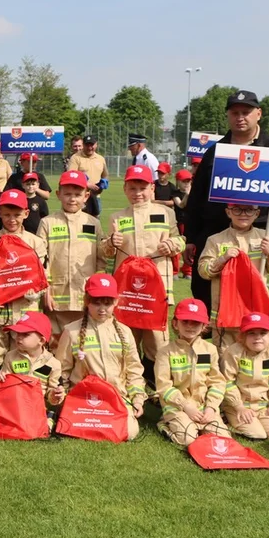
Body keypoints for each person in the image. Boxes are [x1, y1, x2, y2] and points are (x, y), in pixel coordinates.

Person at [184, 90, 269, 308]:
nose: (240, 117)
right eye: (235, 112)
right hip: (214, 232)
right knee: (204, 293)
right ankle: (209, 339)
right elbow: (196, 198)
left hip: (256, 232)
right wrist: (191, 237)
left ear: (258, 113)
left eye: (246, 112)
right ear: (227, 115)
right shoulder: (215, 151)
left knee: (249, 297)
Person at [100, 165, 184, 389]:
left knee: (157, 343)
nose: (138, 193)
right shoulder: (117, 217)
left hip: (157, 291)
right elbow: (107, 253)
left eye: (143, 188)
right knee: (125, 341)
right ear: (125, 190)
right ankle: (126, 390)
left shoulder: (166, 213)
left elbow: (181, 240)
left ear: (152, 188)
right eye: (132, 188)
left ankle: (160, 393)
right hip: (126, 292)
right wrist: (111, 243)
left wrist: (171, 244)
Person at [54, 274, 146, 439]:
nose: (102, 309)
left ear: (116, 302)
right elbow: (62, 370)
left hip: (117, 397)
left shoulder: (125, 332)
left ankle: (93, 426)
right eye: (96, 302)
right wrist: (63, 399)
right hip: (83, 400)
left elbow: (134, 371)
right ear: (86, 301)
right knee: (70, 426)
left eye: (107, 303)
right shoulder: (71, 331)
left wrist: (137, 399)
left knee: (130, 432)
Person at [195, 203, 269, 355]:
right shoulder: (215, 240)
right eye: (237, 209)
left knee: (255, 353)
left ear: (257, 213)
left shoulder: (266, 237)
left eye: (249, 210)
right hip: (226, 313)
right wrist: (222, 259)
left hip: (255, 309)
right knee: (225, 355)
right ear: (228, 212)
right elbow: (203, 272)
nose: (243, 214)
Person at [0, 189, 46, 383]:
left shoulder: (36, 242)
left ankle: (21, 393)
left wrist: (36, 293)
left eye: (17, 215)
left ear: (26, 213)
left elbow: (41, 275)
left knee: (23, 354)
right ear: (0, 213)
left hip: (25, 309)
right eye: (7, 214)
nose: (12, 219)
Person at [153, 298, 230, 446]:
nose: (190, 326)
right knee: (188, 439)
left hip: (202, 407)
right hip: (176, 406)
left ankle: (199, 424)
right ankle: (164, 424)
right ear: (175, 324)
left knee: (223, 440)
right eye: (185, 321)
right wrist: (186, 406)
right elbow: (164, 387)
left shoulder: (210, 350)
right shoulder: (165, 352)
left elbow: (217, 382)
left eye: (195, 322)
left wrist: (211, 408)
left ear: (204, 326)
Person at [38, 171, 103, 336]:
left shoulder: (93, 223)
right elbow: (39, 261)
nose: (72, 199)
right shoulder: (47, 223)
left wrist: (98, 290)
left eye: (77, 194)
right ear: (58, 194)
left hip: (85, 295)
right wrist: (46, 290)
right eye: (67, 194)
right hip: (56, 296)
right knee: (55, 344)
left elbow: (101, 259)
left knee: (83, 343)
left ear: (86, 196)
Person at [220, 312, 269, 439]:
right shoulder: (233, 352)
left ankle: (262, 417)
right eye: (251, 333)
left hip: (263, 405)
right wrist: (239, 407)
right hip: (237, 405)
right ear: (242, 336)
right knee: (258, 434)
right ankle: (226, 421)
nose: (258, 338)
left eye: (263, 333)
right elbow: (227, 382)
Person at [0, 311, 65, 416]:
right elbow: (5, 384)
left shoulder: (53, 364)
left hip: (39, 408)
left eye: (25, 334)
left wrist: (55, 395)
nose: (18, 337)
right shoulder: (10, 356)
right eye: (17, 333)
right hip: (15, 406)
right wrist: (1, 378)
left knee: (48, 423)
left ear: (41, 340)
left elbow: (51, 395)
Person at [65, 134, 109, 217]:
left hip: (96, 197)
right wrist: (86, 184)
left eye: (92, 145)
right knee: (79, 223)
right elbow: (71, 176)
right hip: (81, 197)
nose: (89, 148)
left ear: (96, 144)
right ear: (83, 145)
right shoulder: (75, 158)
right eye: (87, 145)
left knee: (95, 222)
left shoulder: (100, 159)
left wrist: (103, 183)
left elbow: (105, 175)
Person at [173, 168, 194, 278]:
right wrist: (187, 195)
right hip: (180, 223)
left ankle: (188, 270)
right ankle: (175, 271)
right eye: (184, 181)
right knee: (179, 246)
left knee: (191, 246)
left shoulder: (194, 191)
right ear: (178, 182)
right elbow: (181, 205)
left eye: (188, 181)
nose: (186, 184)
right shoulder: (176, 193)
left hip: (191, 222)